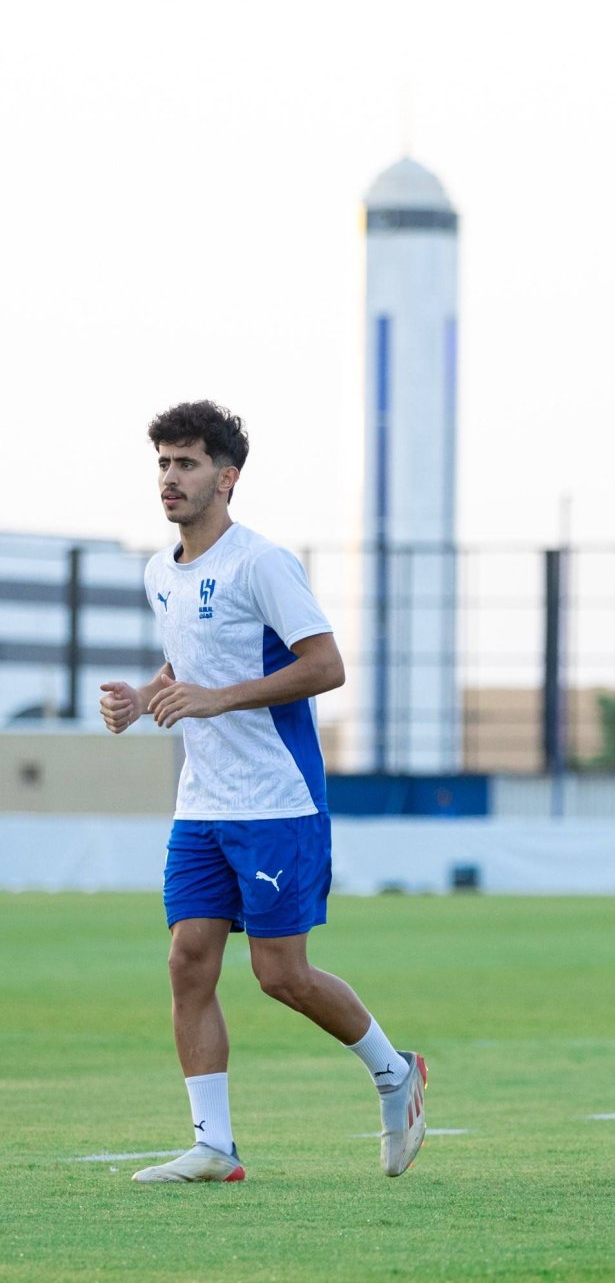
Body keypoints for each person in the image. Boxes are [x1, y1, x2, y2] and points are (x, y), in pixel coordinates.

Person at [100, 401, 426, 1183]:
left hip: (277, 801)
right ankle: (214, 1143)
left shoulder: (263, 563)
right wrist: (145, 698)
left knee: (280, 973)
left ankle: (396, 1073)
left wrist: (218, 698)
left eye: (186, 463)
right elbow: (187, 664)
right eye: (164, 464)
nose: (171, 479)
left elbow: (326, 666)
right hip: (202, 806)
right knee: (188, 960)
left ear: (227, 476)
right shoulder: (159, 572)